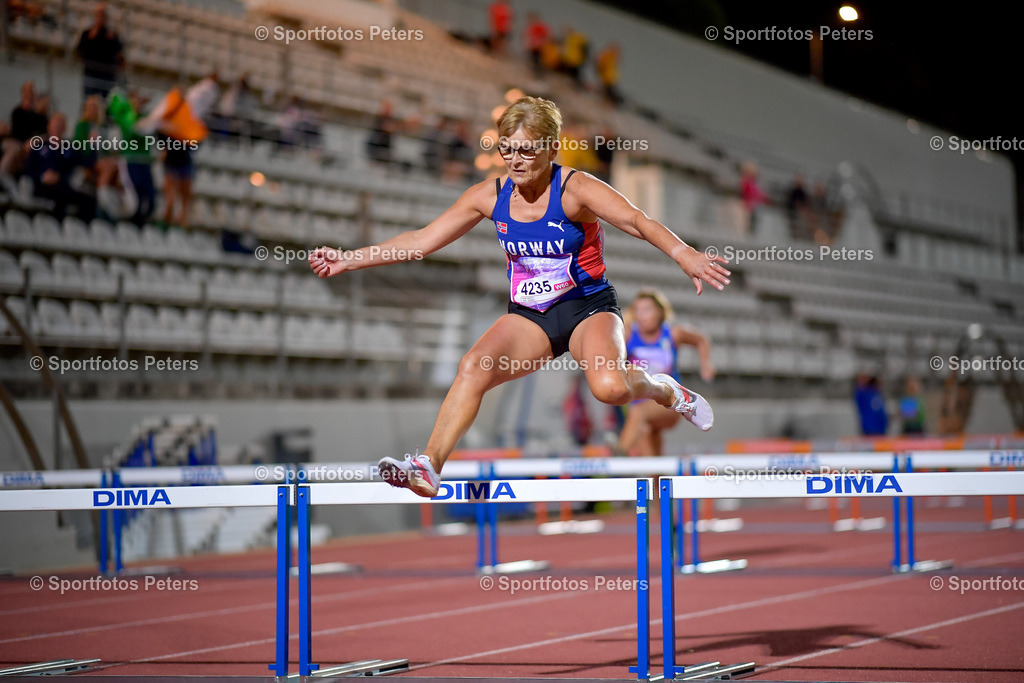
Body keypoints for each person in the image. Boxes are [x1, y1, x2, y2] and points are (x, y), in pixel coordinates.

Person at [309, 96, 731, 497]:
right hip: (531, 317)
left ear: (550, 149)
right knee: (472, 367)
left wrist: (683, 253)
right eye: (506, 150)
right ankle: (428, 466)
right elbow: (421, 241)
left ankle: (666, 390)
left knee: (610, 389)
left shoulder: (575, 189)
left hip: (587, 307)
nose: (514, 161)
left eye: (525, 152)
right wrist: (350, 259)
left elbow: (638, 220)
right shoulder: (489, 196)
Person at [615, 289, 714, 456]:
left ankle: (615, 456)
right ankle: (656, 478)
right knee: (645, 434)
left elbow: (701, 339)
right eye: (638, 310)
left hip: (668, 402)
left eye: (647, 309)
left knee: (638, 414)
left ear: (660, 312)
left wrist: (706, 365)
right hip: (639, 402)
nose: (642, 315)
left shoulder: (672, 334)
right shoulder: (629, 334)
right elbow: (611, 354)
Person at [75, 3, 123, 98]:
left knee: (106, 103)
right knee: (90, 100)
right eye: (99, 14)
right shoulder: (88, 33)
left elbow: (119, 55)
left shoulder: (112, 35)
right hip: (91, 74)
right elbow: (79, 51)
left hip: (107, 75)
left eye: (103, 14)